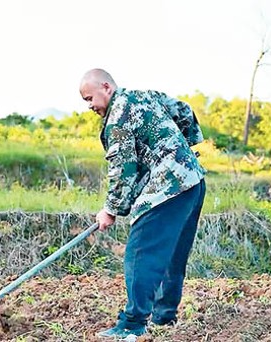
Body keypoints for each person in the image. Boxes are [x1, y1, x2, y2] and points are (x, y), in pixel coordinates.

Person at [79, 68, 206, 339]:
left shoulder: (117, 120)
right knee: (172, 255)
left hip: (168, 188)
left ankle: (131, 325)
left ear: (106, 87)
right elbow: (184, 110)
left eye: (90, 98)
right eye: (86, 101)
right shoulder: (145, 96)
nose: (90, 106)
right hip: (193, 180)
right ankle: (163, 317)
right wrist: (183, 150)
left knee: (140, 252)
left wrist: (110, 210)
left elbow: (123, 169)